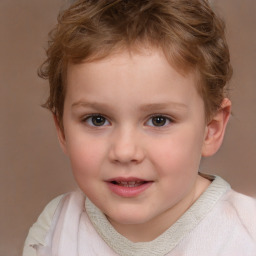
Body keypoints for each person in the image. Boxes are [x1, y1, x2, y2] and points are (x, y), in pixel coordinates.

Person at [23, 0, 256, 255]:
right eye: (97, 120)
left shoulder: (245, 236)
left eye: (159, 120)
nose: (124, 151)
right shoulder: (55, 231)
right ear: (62, 131)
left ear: (211, 129)